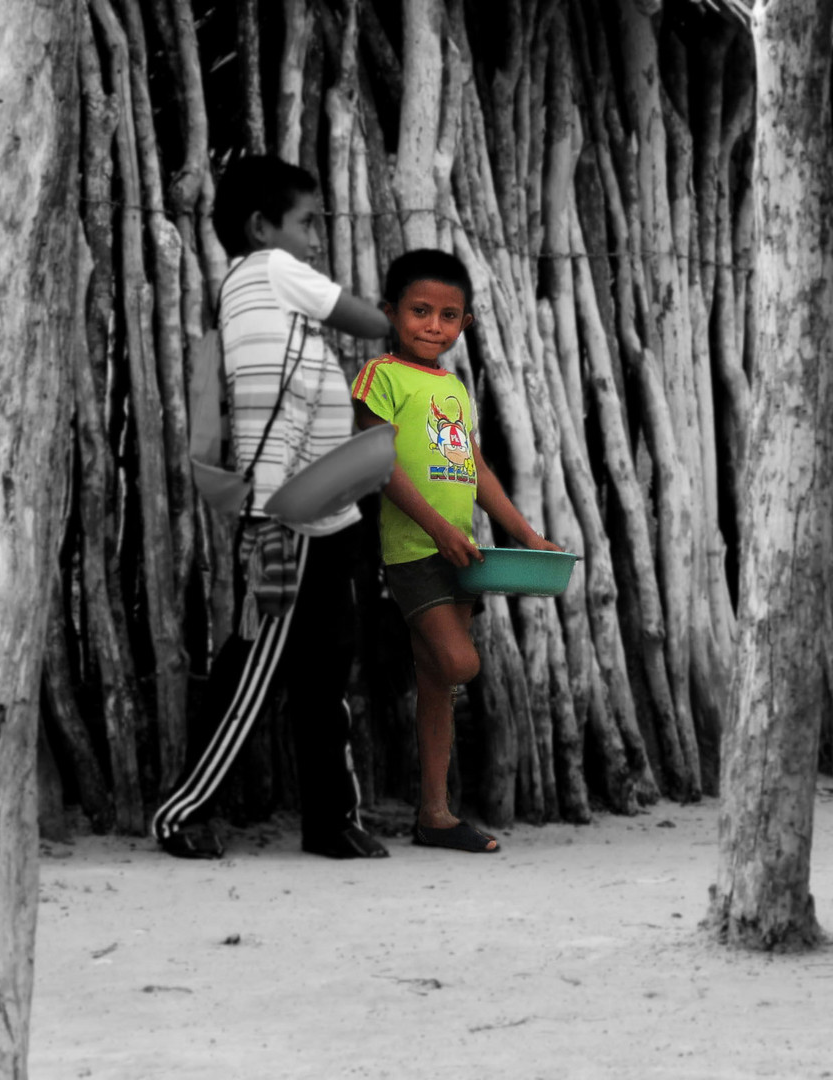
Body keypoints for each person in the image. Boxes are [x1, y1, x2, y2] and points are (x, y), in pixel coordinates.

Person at [151, 154, 397, 860]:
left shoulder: (246, 288)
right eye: (308, 224)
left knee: (326, 669)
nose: (318, 241)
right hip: (285, 515)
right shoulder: (270, 271)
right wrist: (387, 311)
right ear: (262, 228)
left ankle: (331, 821)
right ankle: (181, 812)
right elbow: (371, 322)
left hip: (320, 509)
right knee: (257, 669)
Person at [351, 248, 559, 853]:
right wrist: (439, 530)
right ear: (391, 312)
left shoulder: (456, 389)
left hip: (461, 554)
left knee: (438, 685)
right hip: (414, 549)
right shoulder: (379, 376)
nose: (433, 326)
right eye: (419, 311)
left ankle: (435, 815)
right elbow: (379, 460)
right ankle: (387, 646)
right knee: (459, 665)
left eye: (448, 316)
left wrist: (523, 532)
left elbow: (476, 468)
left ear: (465, 322)